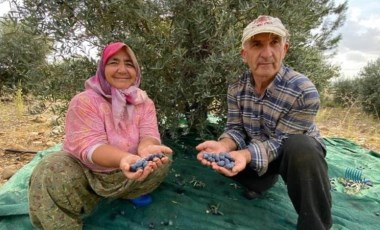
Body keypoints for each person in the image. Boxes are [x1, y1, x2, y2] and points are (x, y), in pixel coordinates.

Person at [196, 15, 332, 229]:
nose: (267, 54)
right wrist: (224, 145)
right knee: (235, 169)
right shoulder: (236, 87)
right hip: (257, 149)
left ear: (285, 49)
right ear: (244, 54)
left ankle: (315, 225)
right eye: (257, 44)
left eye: (274, 43)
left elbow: (282, 141)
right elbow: (236, 128)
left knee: (301, 148)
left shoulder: (304, 92)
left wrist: (246, 154)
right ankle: (262, 181)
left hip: (291, 154)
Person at [28, 42, 173, 229]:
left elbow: (148, 133)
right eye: (114, 62)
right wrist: (126, 158)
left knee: (161, 158)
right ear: (102, 68)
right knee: (51, 168)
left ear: (137, 71)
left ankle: (129, 192)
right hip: (87, 174)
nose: (122, 69)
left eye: (129, 64)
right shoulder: (85, 101)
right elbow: (90, 146)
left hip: (127, 171)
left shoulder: (143, 102)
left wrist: (147, 148)